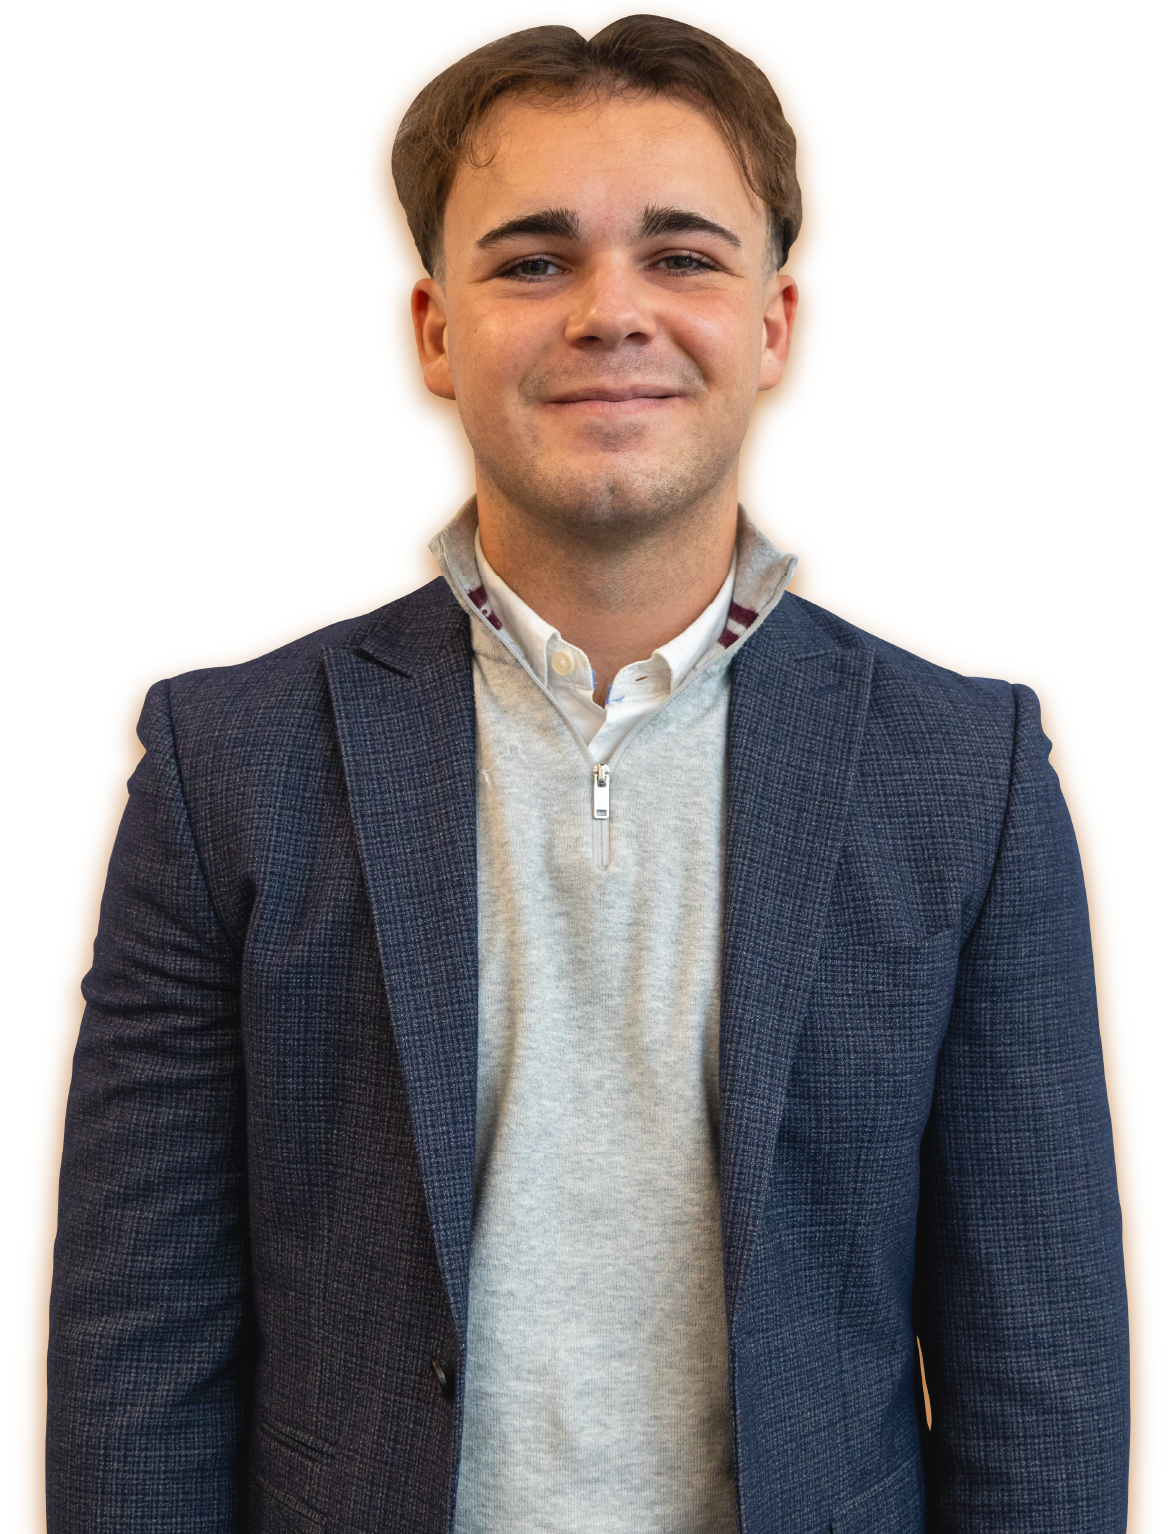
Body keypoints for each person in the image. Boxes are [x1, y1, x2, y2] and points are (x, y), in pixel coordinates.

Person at [45, 14, 1129, 1533]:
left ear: (776, 321)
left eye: (680, 255)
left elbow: (1046, 1386)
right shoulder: (224, 762)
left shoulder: (969, 773)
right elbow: (131, 1360)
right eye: (533, 259)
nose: (610, 310)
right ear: (430, 326)